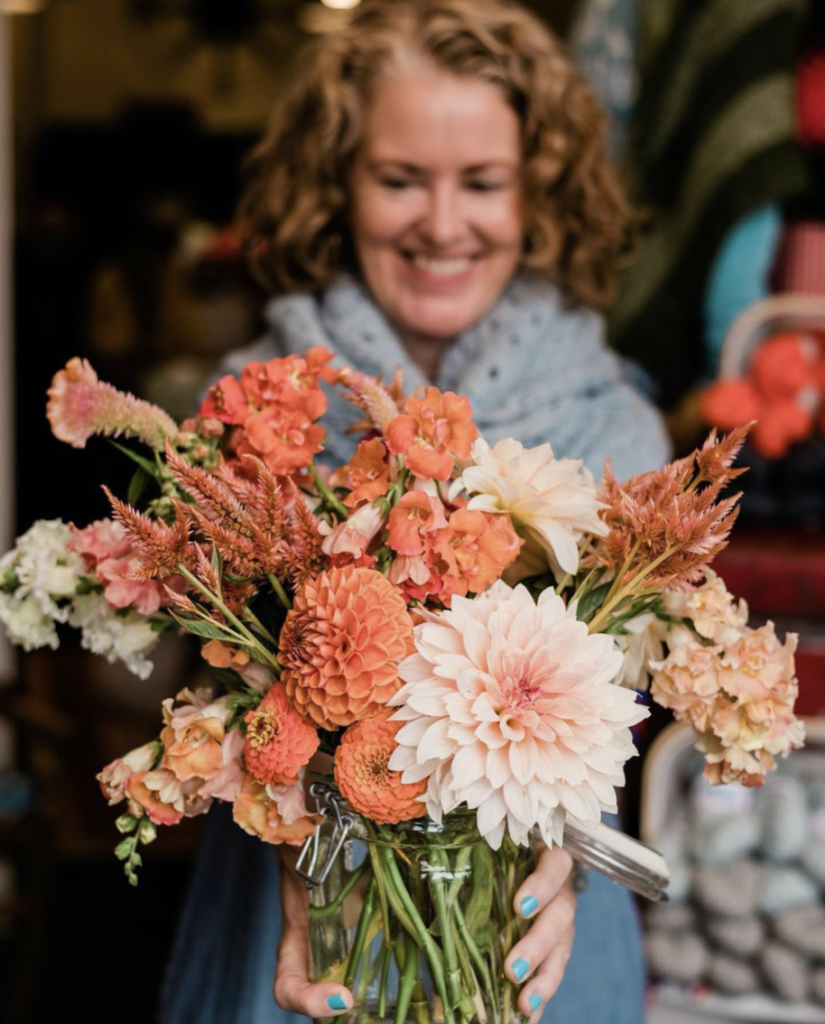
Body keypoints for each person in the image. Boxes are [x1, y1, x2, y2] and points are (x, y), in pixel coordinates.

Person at [160, 2, 671, 1022]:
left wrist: (562, 852)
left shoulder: (615, 426)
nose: (443, 224)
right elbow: (181, 684)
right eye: (400, 180)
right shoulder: (245, 414)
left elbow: (633, 705)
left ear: (541, 193)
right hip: (292, 927)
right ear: (335, 184)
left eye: (483, 182)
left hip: (535, 937)